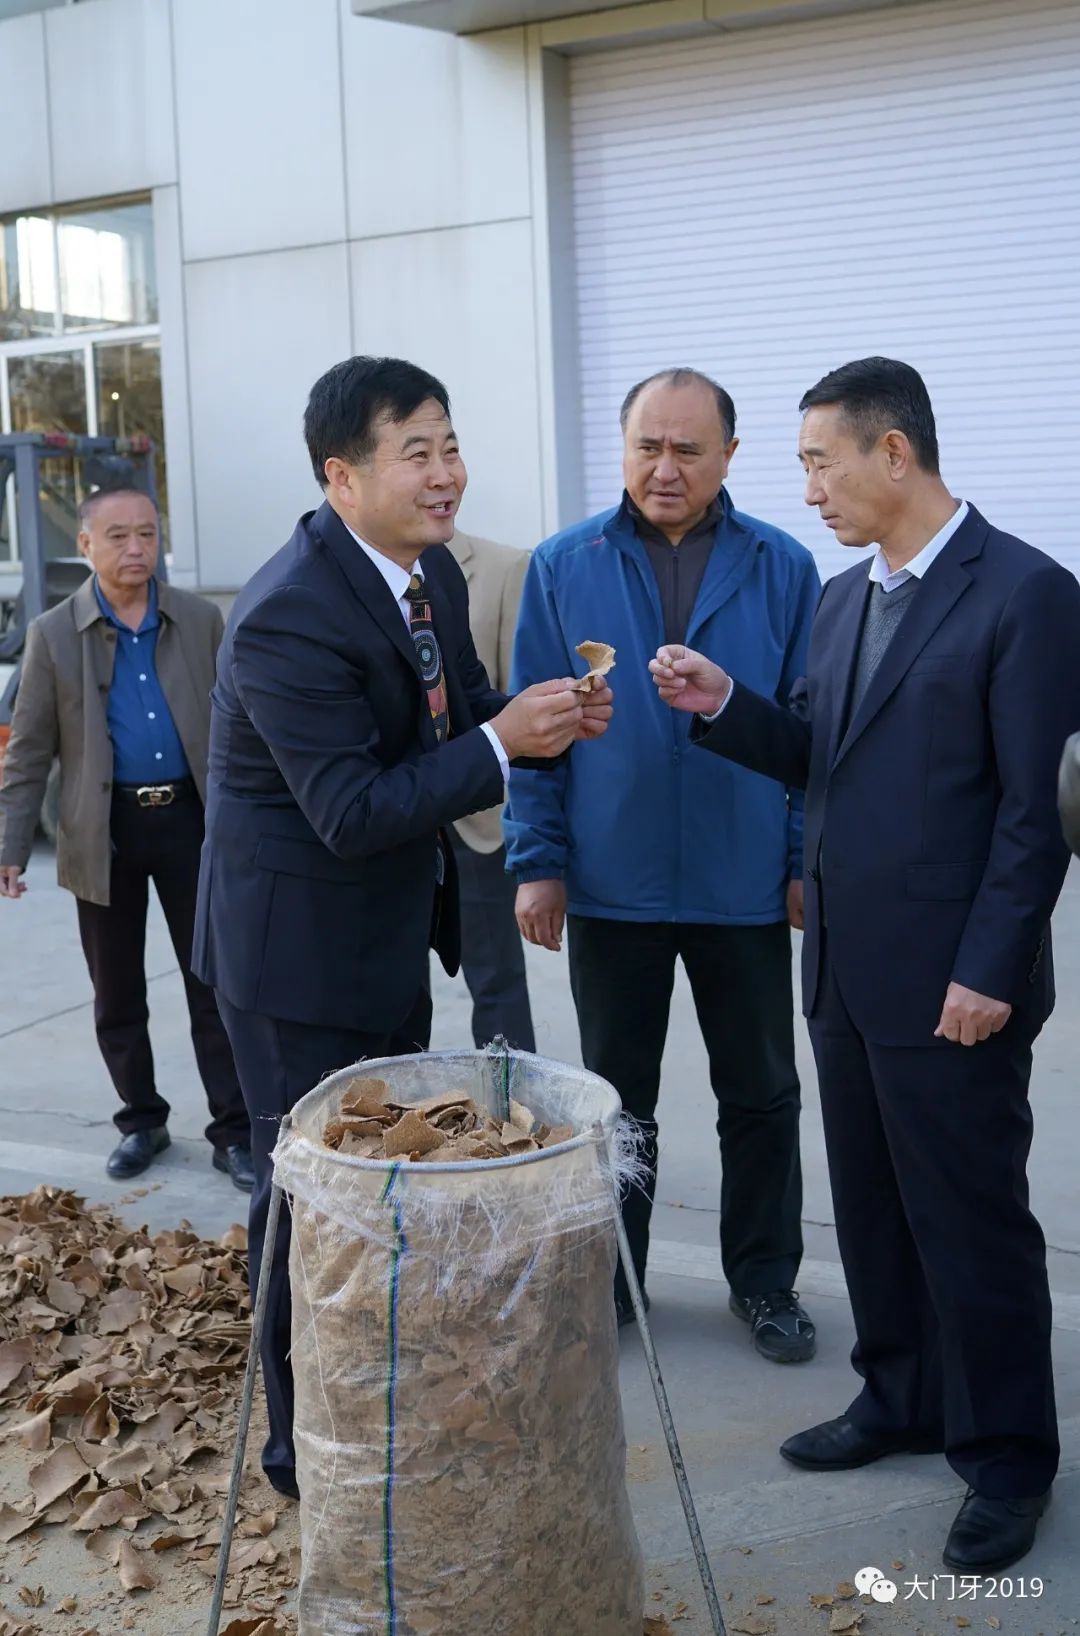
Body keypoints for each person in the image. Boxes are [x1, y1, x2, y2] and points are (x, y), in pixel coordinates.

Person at [651, 356, 1080, 1573]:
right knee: (876, 1209)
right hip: (845, 967)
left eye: (819, 462)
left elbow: (1037, 812)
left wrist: (992, 966)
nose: (809, 490)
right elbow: (821, 754)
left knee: (972, 1223)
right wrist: (726, 703)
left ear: (895, 452)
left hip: (955, 982)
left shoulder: (1029, 595)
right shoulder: (844, 601)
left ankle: (1008, 1458)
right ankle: (900, 1395)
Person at [192, 355, 612, 1500]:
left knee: (383, 1178)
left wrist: (544, 719)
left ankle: (371, 1395)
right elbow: (352, 809)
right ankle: (299, 1450)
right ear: (342, 475)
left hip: (380, 937)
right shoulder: (286, 614)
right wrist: (502, 745)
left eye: (451, 445)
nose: (446, 474)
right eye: (416, 452)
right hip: (293, 960)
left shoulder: (421, 576)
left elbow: (455, 714)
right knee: (306, 1199)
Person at [506, 367, 821, 1360]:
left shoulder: (783, 567)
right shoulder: (565, 565)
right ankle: (617, 1283)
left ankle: (764, 1282)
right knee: (618, 1102)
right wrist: (538, 860)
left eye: (689, 448)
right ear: (624, 447)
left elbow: (811, 735)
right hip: (614, 882)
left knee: (761, 1092)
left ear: (730, 454)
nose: (665, 468)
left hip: (742, 881)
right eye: (648, 446)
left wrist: (801, 859)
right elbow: (533, 730)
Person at [0, 487, 251, 1189]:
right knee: (116, 992)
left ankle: (235, 1131)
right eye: (118, 536)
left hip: (193, 824)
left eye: (147, 533)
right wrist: (10, 847)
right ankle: (141, 1120)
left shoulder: (199, 620)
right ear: (85, 545)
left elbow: (241, 724)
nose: (136, 548)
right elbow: (28, 750)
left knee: (215, 984)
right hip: (103, 831)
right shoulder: (54, 633)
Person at [444, 530, 536, 1051]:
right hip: (381, 814)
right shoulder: (349, 572)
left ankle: (509, 1096)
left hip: (475, 819)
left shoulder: (505, 567)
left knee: (498, 983)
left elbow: (514, 702)